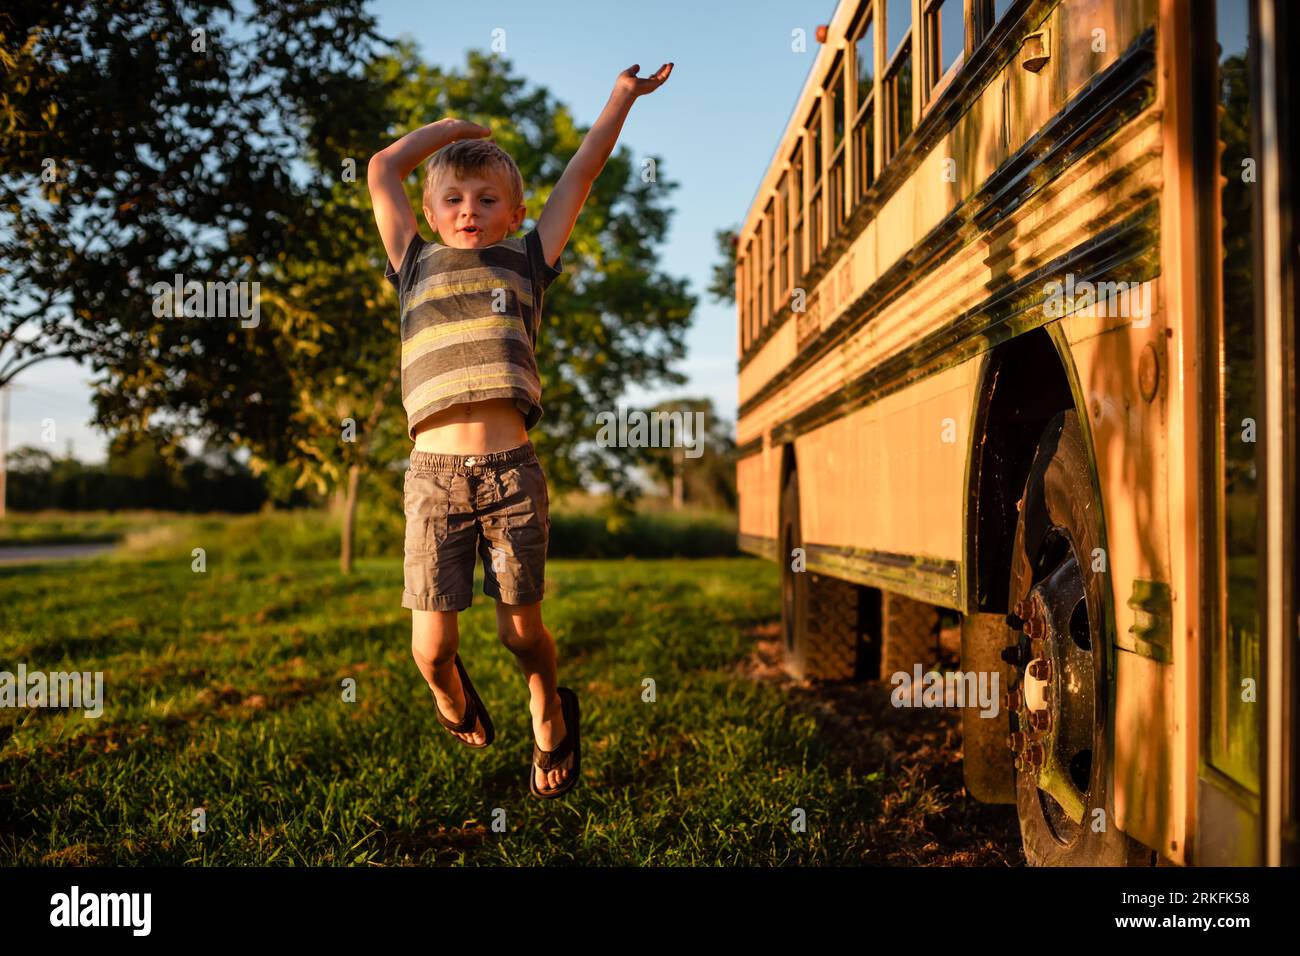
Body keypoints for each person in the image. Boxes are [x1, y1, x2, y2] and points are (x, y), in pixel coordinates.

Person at [367, 62, 673, 797]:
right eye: (453, 198)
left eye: (486, 197)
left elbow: (584, 172)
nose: (468, 208)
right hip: (433, 481)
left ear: (513, 211)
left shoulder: (528, 260)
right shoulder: (412, 263)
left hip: (509, 474)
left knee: (519, 632)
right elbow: (382, 170)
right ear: (434, 213)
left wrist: (620, 98)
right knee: (432, 648)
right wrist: (450, 132)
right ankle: (451, 697)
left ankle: (548, 709)